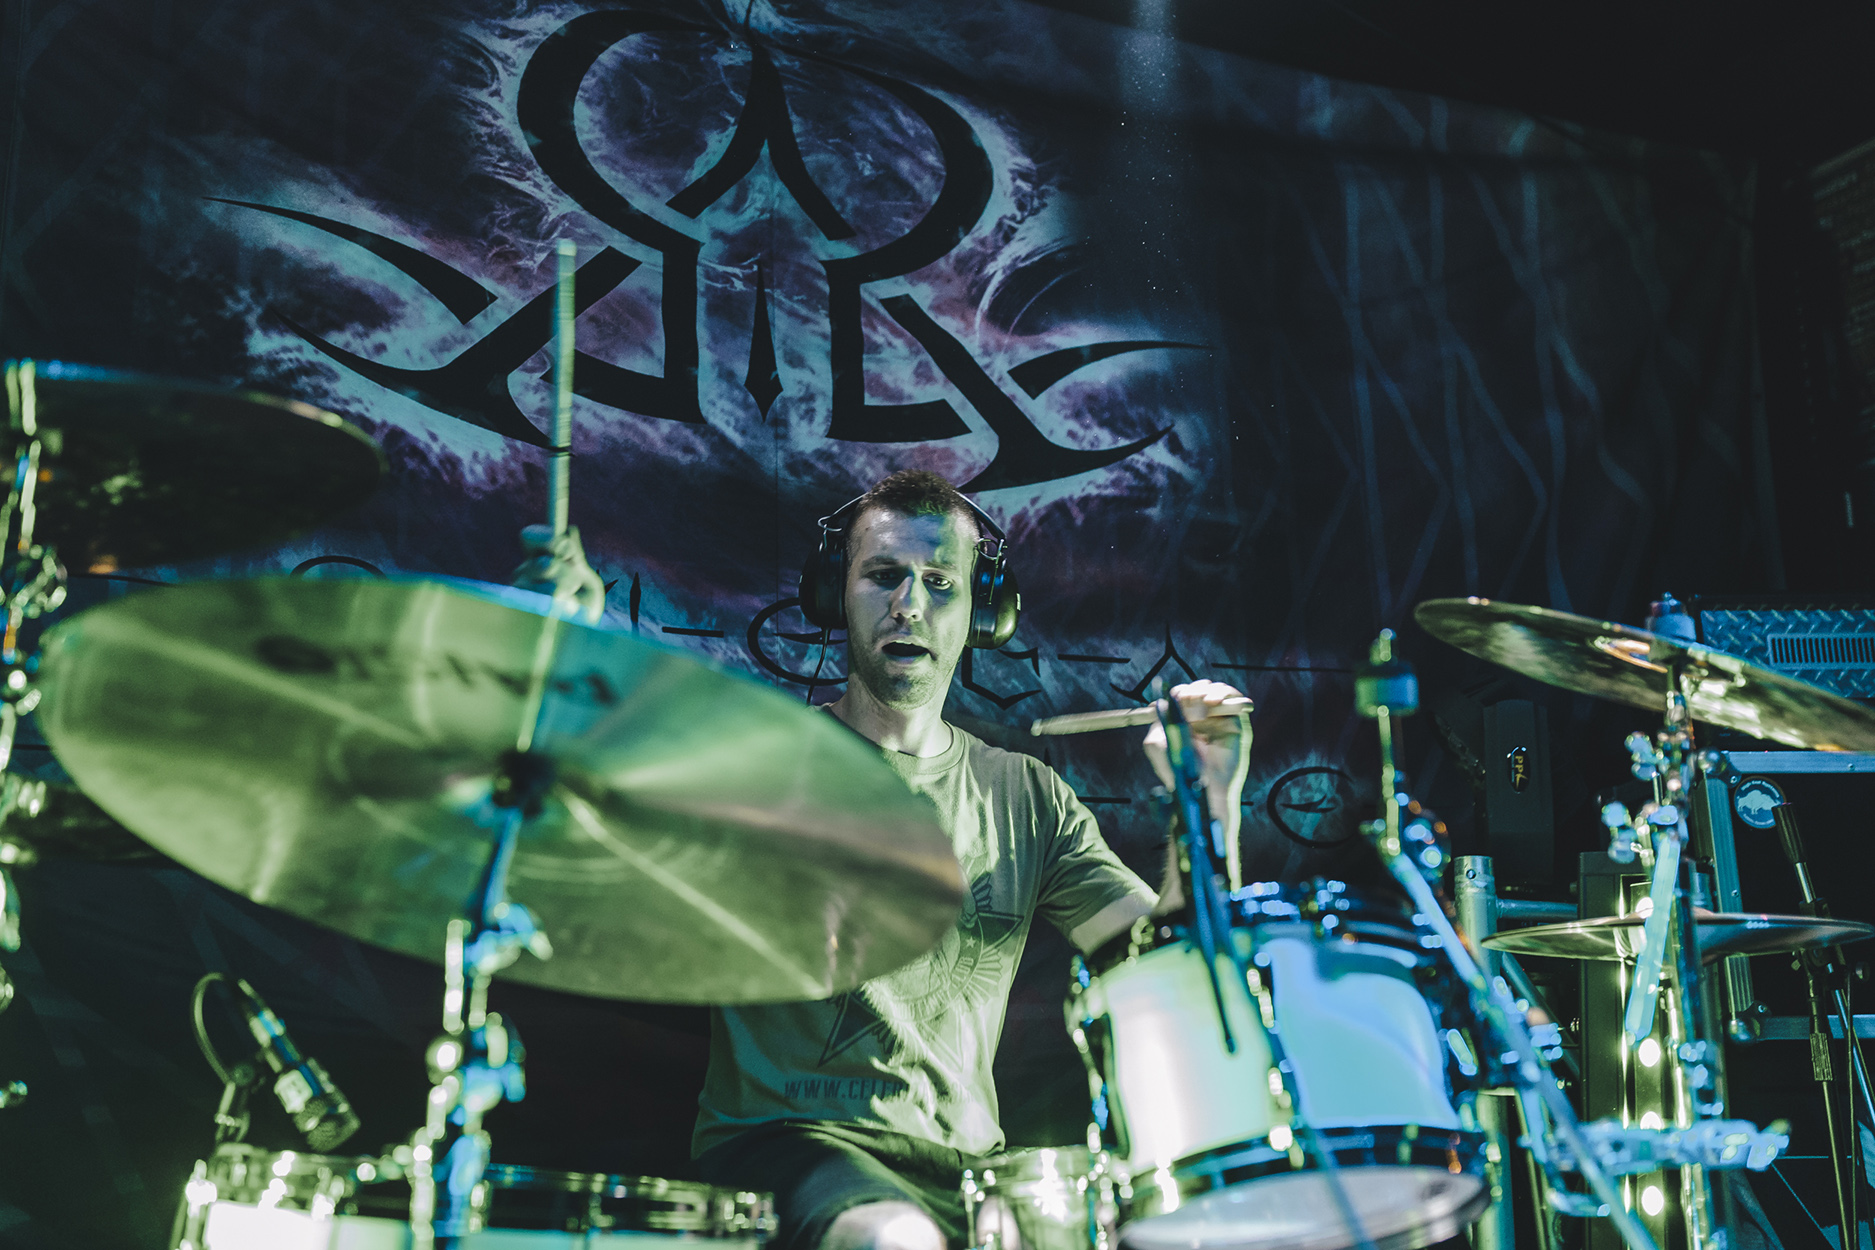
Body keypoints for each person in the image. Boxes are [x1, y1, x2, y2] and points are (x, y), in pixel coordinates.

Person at [693, 470, 1251, 1250]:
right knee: (894, 1239)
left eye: (939, 583)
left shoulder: (1026, 795)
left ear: (981, 613)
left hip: (971, 1166)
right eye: (882, 576)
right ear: (834, 594)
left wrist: (1208, 800)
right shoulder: (755, 763)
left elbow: (1169, 964)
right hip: (795, 1142)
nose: (908, 604)